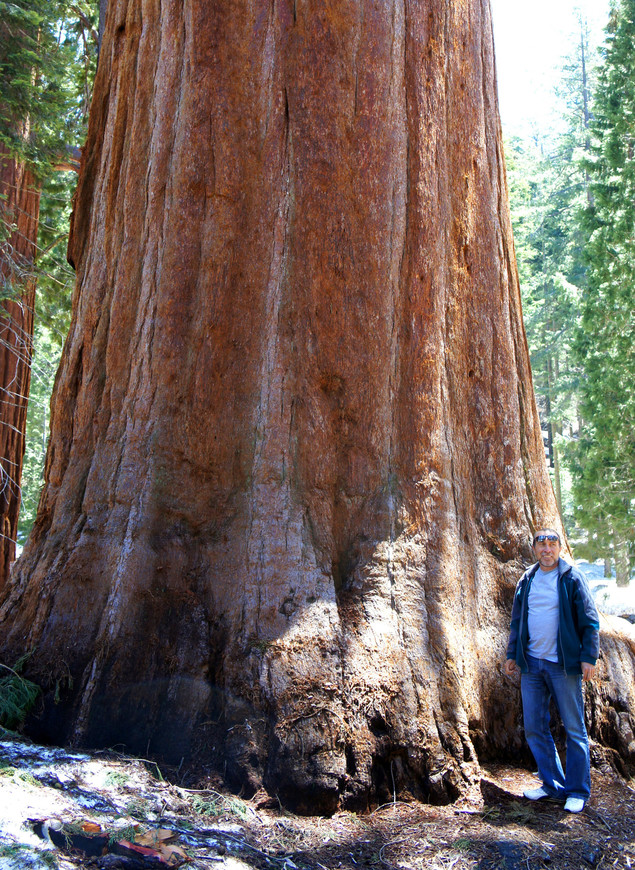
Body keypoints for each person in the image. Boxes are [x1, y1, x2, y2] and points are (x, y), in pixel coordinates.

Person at [504, 528, 600, 813]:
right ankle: (552, 785)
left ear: (559, 547)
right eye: (541, 544)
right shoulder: (528, 578)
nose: (547, 549)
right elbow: (517, 619)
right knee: (534, 727)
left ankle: (578, 791)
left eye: (552, 543)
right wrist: (512, 654)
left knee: (574, 728)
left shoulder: (571, 577)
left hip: (563, 665)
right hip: (532, 664)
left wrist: (588, 657)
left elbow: (590, 619)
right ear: (534, 549)